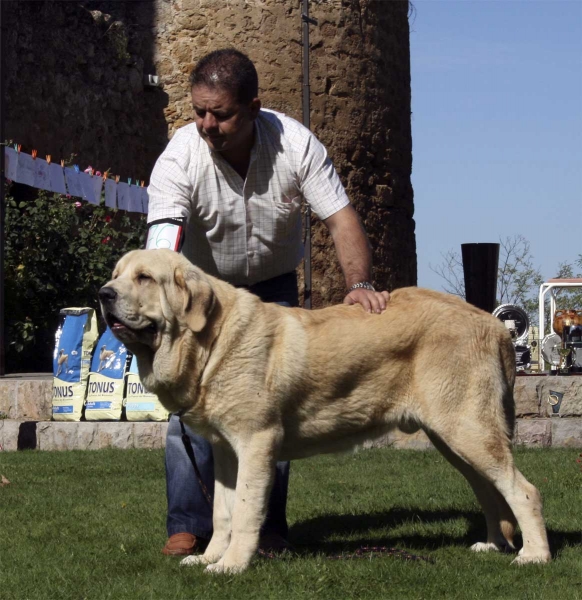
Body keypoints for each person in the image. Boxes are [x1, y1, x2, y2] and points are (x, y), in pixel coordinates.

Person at [146, 48, 390, 557]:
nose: (207, 124)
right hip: (204, 295)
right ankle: (188, 526)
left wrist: (360, 283)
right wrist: (159, 306)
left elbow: (341, 218)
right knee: (186, 412)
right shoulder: (179, 157)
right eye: (199, 111)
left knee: (267, 412)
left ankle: (268, 529)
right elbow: (162, 241)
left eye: (221, 114)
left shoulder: (295, 144)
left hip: (272, 291)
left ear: (254, 107)